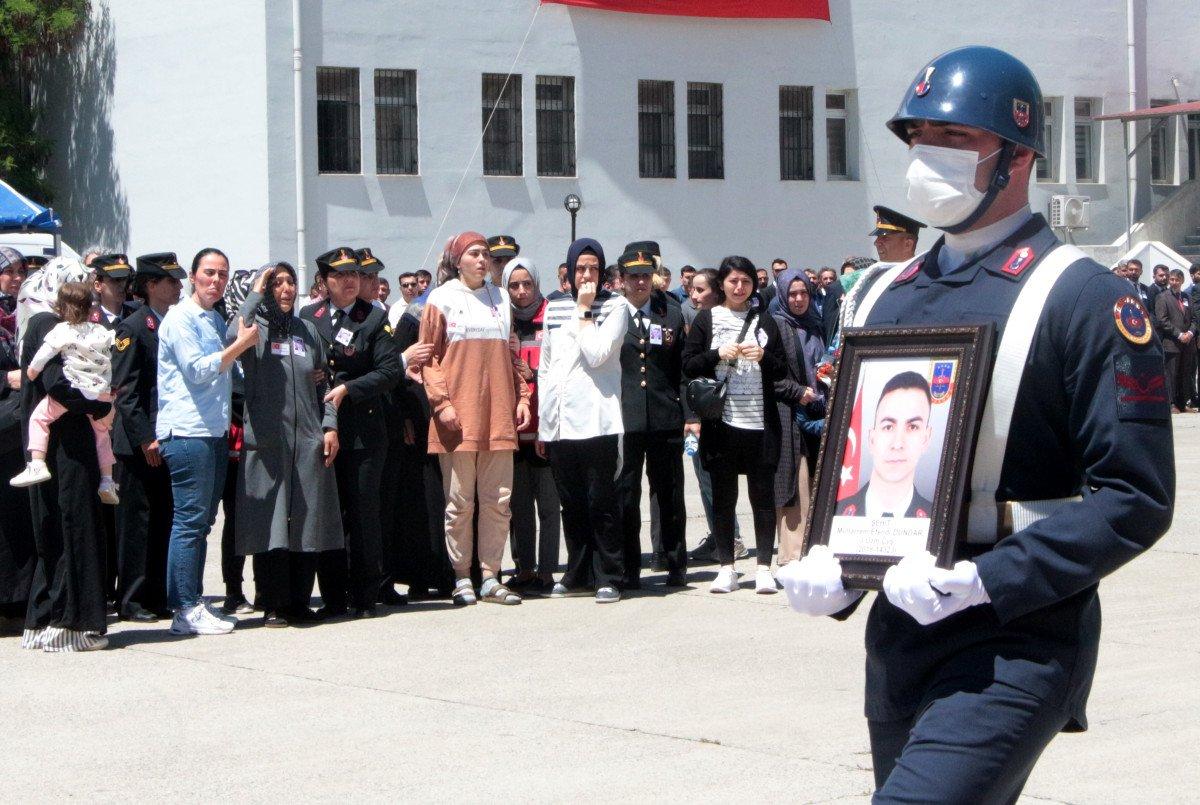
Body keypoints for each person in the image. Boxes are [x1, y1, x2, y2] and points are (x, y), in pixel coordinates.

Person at [778, 46, 1173, 802]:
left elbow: (1136, 496)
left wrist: (988, 579)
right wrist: (840, 570)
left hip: (1017, 638)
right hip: (901, 637)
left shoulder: (1083, 298)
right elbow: (866, 463)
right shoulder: (885, 295)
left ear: (1018, 155)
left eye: (955, 137)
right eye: (919, 135)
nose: (928, 153)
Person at [420, 232, 530, 606]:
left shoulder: (500, 298)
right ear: (457, 261)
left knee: (498, 501)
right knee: (460, 503)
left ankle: (490, 576)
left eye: (485, 254)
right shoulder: (441, 299)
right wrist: (442, 404)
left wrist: (522, 397)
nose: (482, 260)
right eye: (474, 254)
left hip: (498, 416)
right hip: (457, 418)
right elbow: (428, 358)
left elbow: (512, 355)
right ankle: (461, 576)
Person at [231, 262, 343, 627]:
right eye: (276, 283)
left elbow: (325, 382)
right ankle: (273, 603)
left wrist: (330, 425)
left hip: (308, 440)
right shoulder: (254, 330)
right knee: (272, 524)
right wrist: (255, 291)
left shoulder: (306, 330)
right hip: (268, 443)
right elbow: (232, 335)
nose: (286, 289)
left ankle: (299, 602)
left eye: (290, 282)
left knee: (306, 524)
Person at [157, 247, 260, 636]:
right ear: (192, 276)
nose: (215, 281)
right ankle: (184, 607)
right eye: (209, 273)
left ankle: (191, 602)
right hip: (188, 431)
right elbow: (198, 370)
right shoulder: (180, 318)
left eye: (222, 274)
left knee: (201, 522)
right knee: (190, 521)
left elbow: (228, 368)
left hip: (212, 431)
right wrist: (239, 346)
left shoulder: (214, 318)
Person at [301, 247, 401, 618]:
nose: (349, 281)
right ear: (324, 281)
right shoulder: (309, 316)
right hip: (320, 429)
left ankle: (363, 595)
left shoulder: (373, 317)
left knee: (362, 514)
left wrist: (348, 388)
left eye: (354, 274)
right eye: (340, 275)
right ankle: (332, 596)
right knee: (329, 514)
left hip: (362, 432)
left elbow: (390, 371)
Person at [18, 257, 112, 651]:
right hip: (67, 444)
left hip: (56, 443)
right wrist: (98, 406)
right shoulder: (52, 325)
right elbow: (57, 384)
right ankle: (73, 626)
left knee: (55, 529)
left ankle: (43, 621)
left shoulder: (40, 322)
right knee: (76, 528)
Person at [683, 256, 787, 594]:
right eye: (733, 281)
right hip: (721, 423)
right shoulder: (707, 318)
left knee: (763, 497)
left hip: (760, 422)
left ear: (754, 285)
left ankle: (764, 568)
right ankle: (727, 567)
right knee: (724, 497)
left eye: (745, 281)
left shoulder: (766, 321)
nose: (739, 287)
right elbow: (688, 365)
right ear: (722, 285)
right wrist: (717, 354)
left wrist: (764, 357)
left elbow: (782, 369)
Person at [539, 237, 629, 604]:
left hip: (597, 420)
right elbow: (547, 366)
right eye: (580, 269)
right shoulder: (554, 307)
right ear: (570, 272)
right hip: (561, 422)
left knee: (600, 501)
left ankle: (608, 574)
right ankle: (576, 572)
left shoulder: (616, 306)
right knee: (572, 503)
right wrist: (545, 420)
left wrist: (585, 310)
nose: (587, 275)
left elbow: (597, 354)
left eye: (593, 268)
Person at [110, 252, 184, 623]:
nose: (178, 286)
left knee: (163, 518)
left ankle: (156, 595)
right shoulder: (134, 327)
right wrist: (145, 438)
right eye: (171, 281)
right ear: (151, 285)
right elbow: (125, 391)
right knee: (137, 522)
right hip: (139, 444)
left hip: (168, 436)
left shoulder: (172, 324)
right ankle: (131, 598)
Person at [614, 248, 688, 589]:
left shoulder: (670, 313)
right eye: (634, 276)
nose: (640, 282)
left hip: (664, 417)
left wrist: (689, 414)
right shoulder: (612, 314)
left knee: (670, 494)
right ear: (622, 280)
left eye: (645, 275)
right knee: (626, 496)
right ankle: (629, 568)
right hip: (625, 419)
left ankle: (675, 563)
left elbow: (682, 370)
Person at [11, 280, 119, 505]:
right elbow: (113, 350)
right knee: (102, 437)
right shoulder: (101, 330)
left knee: (39, 419)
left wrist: (31, 372)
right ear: (90, 307)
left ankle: (37, 463)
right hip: (101, 392)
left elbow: (43, 357)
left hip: (75, 389)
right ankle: (108, 480)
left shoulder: (60, 330)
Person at [502, 256, 561, 595]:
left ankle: (548, 572)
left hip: (545, 426)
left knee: (549, 506)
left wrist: (533, 374)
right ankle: (524, 569)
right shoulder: (501, 319)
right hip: (512, 430)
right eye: (514, 285)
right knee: (519, 507)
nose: (521, 291)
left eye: (527, 284)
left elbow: (561, 368)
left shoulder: (551, 315)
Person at [685, 269, 744, 563]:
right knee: (704, 478)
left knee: (714, 480)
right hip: (702, 411)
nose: (693, 296)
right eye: (691, 289)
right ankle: (719, 535)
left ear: (716, 291)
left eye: (700, 290)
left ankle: (731, 539)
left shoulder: (724, 323)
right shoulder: (701, 321)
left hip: (720, 413)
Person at [770, 269, 825, 564]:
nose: (799, 299)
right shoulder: (776, 326)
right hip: (789, 416)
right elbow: (769, 376)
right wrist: (797, 391)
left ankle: (814, 550)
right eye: (792, 294)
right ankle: (792, 556)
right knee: (796, 484)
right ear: (782, 295)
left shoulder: (816, 324)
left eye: (804, 293)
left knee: (817, 483)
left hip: (818, 412)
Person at [836, 371, 935, 517]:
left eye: (913, 427)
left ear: (926, 439)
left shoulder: (937, 518)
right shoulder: (837, 513)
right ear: (872, 439)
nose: (898, 443)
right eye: (888, 427)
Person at [0, 249, 33, 637]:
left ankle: (18, 601)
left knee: (19, 516)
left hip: (19, 429)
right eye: (7, 271)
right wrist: (5, 379)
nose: (15, 278)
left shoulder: (24, 315)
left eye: (20, 271)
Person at [1153, 267, 1196, 413]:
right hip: (1172, 343)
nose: (1174, 282)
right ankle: (1171, 404)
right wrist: (1179, 334)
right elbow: (1162, 320)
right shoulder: (1163, 297)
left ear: (1182, 281)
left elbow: (1194, 319)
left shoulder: (1187, 297)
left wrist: (1190, 333)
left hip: (1188, 343)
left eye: (1177, 280)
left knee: (1185, 373)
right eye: (1171, 279)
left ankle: (1183, 403)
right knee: (1171, 374)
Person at [89, 254, 138, 324]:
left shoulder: (137, 314)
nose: (122, 284)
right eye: (115, 280)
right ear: (98, 286)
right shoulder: (89, 320)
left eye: (124, 279)